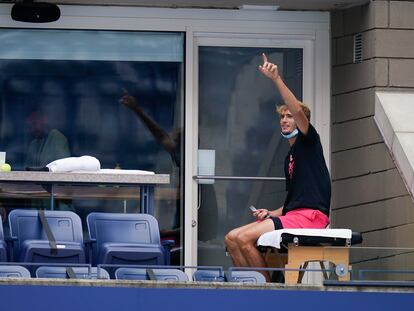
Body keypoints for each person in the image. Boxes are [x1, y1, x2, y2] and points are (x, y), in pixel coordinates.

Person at [224, 54, 331, 282]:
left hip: (312, 218)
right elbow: (295, 202)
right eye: (282, 116)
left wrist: (276, 79)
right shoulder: (289, 157)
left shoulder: (309, 142)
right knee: (231, 238)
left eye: (290, 116)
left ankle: (268, 292)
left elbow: (300, 112)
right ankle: (251, 289)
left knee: (244, 239)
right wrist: (270, 213)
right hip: (295, 215)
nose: (285, 119)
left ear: (300, 121)